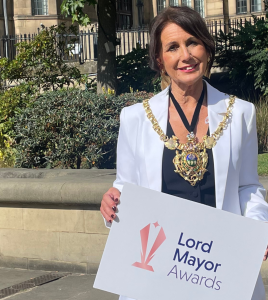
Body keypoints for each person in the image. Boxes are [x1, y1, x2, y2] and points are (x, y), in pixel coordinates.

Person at [100, 6, 268, 300]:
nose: (185, 55)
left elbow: (247, 186)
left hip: (220, 266)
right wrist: (112, 201)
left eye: (192, 42)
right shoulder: (135, 118)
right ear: (159, 59)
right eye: (172, 47)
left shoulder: (241, 113)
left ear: (206, 47)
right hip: (159, 271)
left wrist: (258, 229)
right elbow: (124, 187)